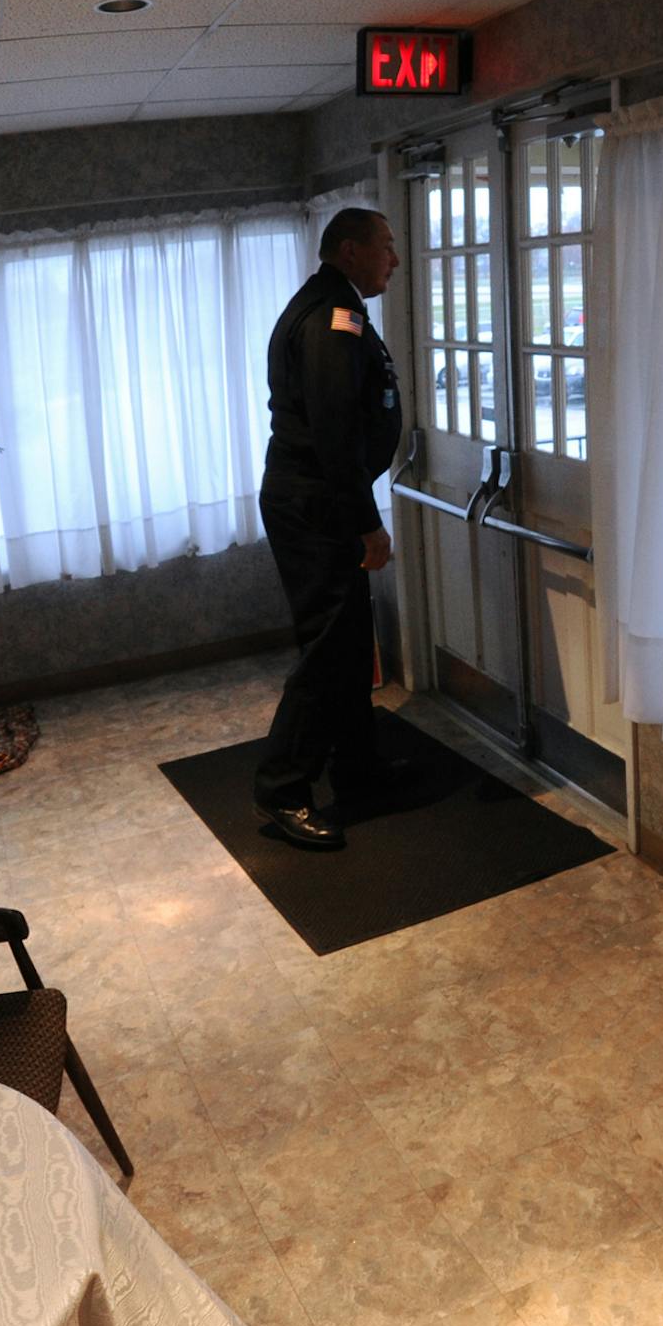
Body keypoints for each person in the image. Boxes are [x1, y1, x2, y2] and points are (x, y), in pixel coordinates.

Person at [254, 208, 410, 849]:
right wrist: (368, 525)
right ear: (350, 251)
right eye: (386, 247)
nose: (393, 260)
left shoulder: (337, 304)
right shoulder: (330, 317)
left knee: (349, 645)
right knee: (329, 651)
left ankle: (358, 770)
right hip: (317, 505)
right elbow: (335, 429)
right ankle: (283, 791)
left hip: (320, 500)